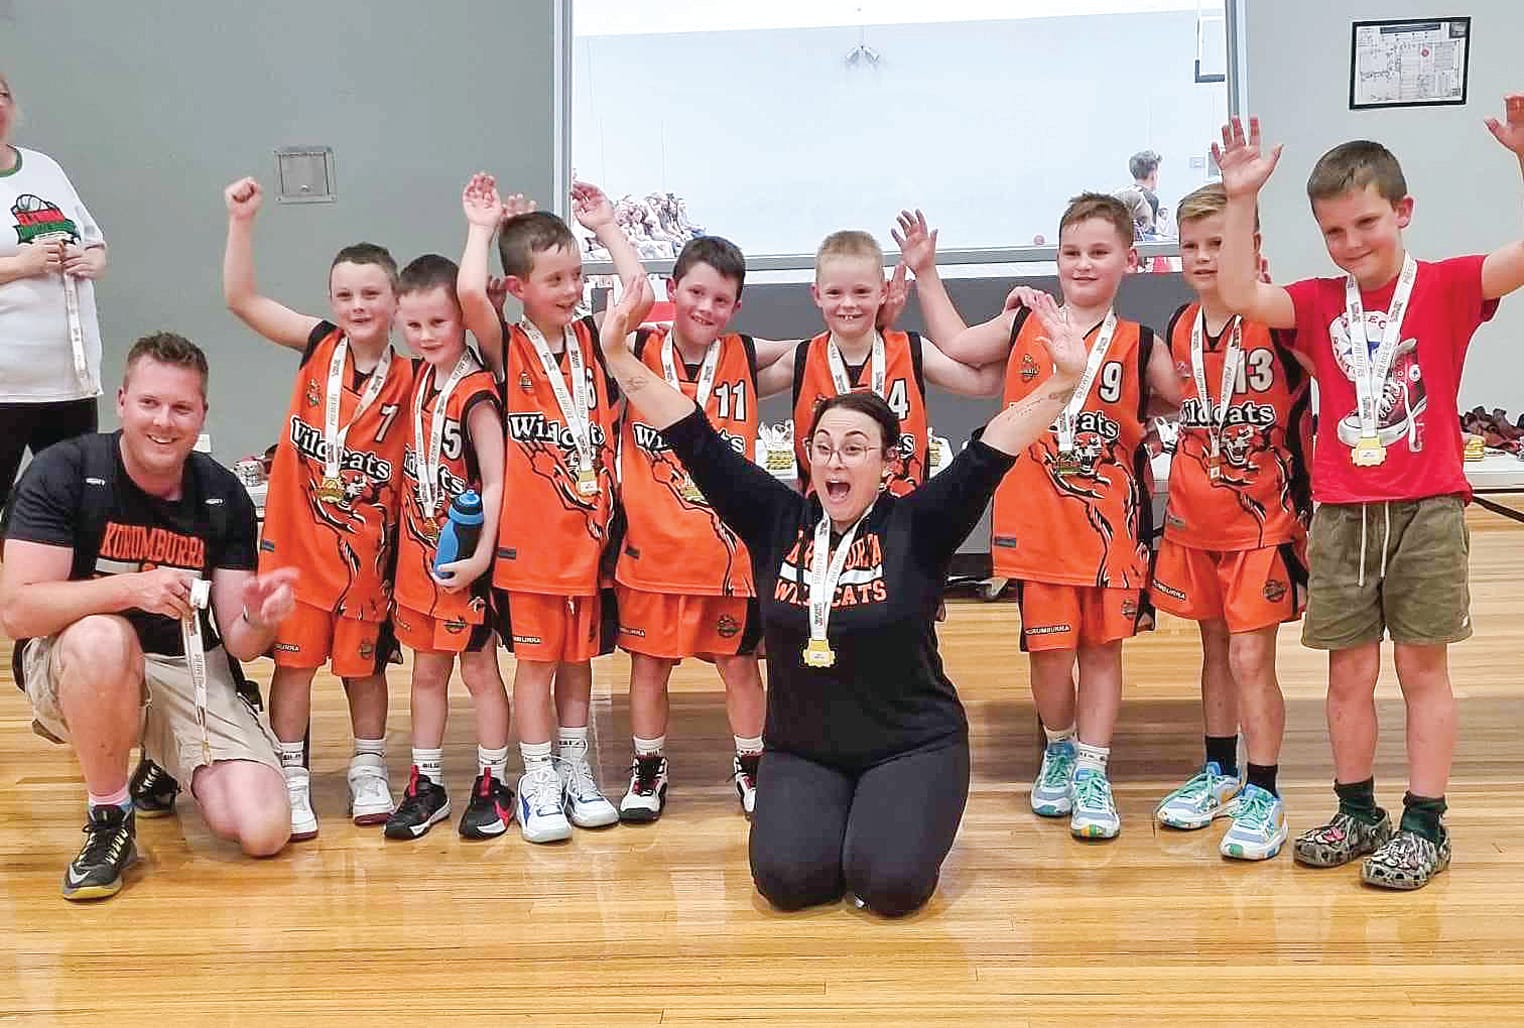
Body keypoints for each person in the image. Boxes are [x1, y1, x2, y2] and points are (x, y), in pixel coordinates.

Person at [598, 275, 1088, 917]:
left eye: (856, 450)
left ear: (888, 463)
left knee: (887, 887)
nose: (837, 462)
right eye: (824, 448)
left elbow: (994, 446)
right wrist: (617, 355)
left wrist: (1061, 381)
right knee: (786, 881)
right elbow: (691, 431)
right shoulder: (774, 517)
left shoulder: (921, 523)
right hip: (804, 748)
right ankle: (843, 813)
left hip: (913, 744)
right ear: (808, 456)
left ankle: (887, 813)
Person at [1212, 96, 1524, 888]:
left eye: (1366, 224)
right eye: (1334, 232)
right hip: (1344, 513)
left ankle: (1425, 822)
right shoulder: (1317, 300)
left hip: (1425, 508)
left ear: (1404, 211)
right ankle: (1358, 811)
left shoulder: (1451, 286)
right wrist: (1243, 195)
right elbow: (1243, 295)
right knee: (1346, 675)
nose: (1351, 244)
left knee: (1424, 672)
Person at [0, 333, 296, 900]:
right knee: (104, 639)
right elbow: (18, 611)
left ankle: (165, 758)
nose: (164, 421)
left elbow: (240, 645)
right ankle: (110, 818)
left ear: (202, 413)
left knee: (262, 830)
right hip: (80, 658)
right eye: (150, 404)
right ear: (122, 401)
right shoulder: (64, 471)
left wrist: (260, 618)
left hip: (185, 662)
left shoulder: (221, 493)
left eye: (181, 408)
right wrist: (133, 588)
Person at [940, 193, 1179, 842]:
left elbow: (1189, 397)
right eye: (1071, 252)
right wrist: (927, 273)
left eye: (1099, 252)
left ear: (1129, 260)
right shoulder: (1024, 325)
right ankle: (1060, 747)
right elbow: (958, 343)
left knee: (1102, 651)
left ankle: (1094, 770)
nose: (1082, 264)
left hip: (1112, 530)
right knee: (1049, 654)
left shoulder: (1141, 342)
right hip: (1039, 525)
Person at [222, 176, 414, 839]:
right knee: (295, 669)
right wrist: (241, 221)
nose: (357, 305)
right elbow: (242, 299)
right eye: (344, 295)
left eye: (370, 293)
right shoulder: (317, 346)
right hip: (296, 556)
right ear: (330, 301)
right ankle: (290, 774)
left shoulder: (416, 381)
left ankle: (368, 768)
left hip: (366, 560)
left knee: (363, 673)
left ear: (395, 301)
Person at [457, 174, 643, 843]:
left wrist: (608, 230)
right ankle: (536, 779)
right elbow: (470, 294)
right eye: (555, 280)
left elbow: (642, 295)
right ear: (521, 289)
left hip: (588, 545)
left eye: (576, 276)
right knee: (534, 667)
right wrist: (481, 230)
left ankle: (574, 768)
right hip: (528, 550)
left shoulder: (597, 342)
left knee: (578, 666)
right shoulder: (507, 347)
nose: (570, 290)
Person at [1149, 183, 1312, 861]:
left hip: (1262, 524)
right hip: (1194, 521)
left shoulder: (1280, 319)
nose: (1204, 256)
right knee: (1214, 650)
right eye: (1191, 245)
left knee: (1251, 657)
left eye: (1220, 243)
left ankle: (1264, 791)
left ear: (1253, 248)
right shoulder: (1181, 326)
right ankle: (1218, 771)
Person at [608, 235, 767, 823]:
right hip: (652, 556)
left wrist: (879, 312)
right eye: (695, 292)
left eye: (721, 299)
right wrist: (606, 229)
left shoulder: (747, 357)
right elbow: (631, 294)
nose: (705, 307)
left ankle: (752, 764)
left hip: (727, 560)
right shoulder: (635, 350)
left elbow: (828, 346)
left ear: (736, 308)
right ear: (672, 292)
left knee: (739, 668)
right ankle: (648, 767)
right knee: (648, 669)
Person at [381, 254, 513, 840]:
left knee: (480, 670)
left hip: (466, 559)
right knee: (425, 673)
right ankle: (427, 783)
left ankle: (492, 781)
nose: (426, 335)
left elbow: (497, 479)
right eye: (414, 325)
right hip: (418, 560)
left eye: (438, 323)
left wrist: (483, 556)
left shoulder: (477, 391)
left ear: (462, 320)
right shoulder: (413, 379)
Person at [753, 223, 1001, 494]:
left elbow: (984, 384)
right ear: (817, 295)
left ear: (883, 291)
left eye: (861, 292)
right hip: (827, 523)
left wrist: (1017, 324)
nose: (848, 303)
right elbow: (735, 379)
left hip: (905, 521)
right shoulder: (801, 359)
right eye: (835, 293)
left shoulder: (913, 350)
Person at [0, 70, 109, 513]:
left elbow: (95, 242)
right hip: (8, 380)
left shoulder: (44, 167)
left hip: (71, 375)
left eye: (1, 94)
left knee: (74, 500)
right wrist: (20, 265)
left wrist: (93, 261)